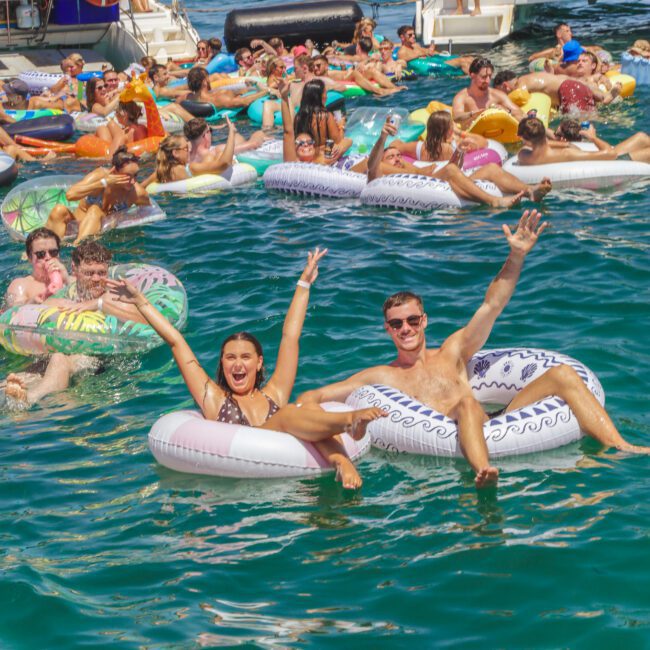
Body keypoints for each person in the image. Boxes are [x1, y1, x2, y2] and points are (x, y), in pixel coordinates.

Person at [298, 209, 650, 488]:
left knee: (562, 374)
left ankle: (620, 446)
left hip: (495, 423)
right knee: (465, 402)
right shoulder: (382, 375)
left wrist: (516, 257)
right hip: (439, 433)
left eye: (412, 320)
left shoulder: (453, 350)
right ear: (387, 329)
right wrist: (302, 418)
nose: (405, 328)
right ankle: (483, 472)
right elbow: (317, 395)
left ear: (425, 320)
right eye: (396, 324)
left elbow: (491, 305)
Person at [107, 249, 387, 489]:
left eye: (245, 357)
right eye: (230, 358)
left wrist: (304, 283)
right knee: (290, 413)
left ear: (259, 363)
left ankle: (340, 459)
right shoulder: (214, 400)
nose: (237, 364)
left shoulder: (274, 393)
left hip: (292, 479)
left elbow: (290, 336)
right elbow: (176, 341)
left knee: (304, 406)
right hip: (250, 485)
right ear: (222, 364)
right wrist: (140, 302)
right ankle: (347, 424)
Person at [2, 241, 147, 409]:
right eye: (89, 273)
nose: (96, 279)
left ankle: (28, 400)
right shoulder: (62, 300)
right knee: (32, 370)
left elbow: (147, 322)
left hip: (99, 358)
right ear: (74, 270)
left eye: (101, 273)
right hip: (57, 356)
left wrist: (100, 305)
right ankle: (12, 392)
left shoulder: (113, 299)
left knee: (59, 360)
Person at [365, 117, 550, 205]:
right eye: (391, 156)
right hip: (430, 183)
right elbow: (372, 165)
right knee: (451, 170)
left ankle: (530, 191)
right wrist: (382, 138)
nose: (397, 159)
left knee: (491, 168)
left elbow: (441, 169)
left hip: (432, 180)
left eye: (399, 155)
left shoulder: (407, 165)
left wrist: (459, 152)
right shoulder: (379, 172)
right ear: (382, 159)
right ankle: (493, 201)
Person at [46, 147, 150, 244]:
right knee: (59, 210)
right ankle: (49, 247)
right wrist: (103, 183)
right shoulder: (100, 176)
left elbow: (149, 212)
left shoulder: (136, 192)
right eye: (128, 176)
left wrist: (125, 217)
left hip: (102, 235)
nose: (133, 181)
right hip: (76, 228)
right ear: (114, 171)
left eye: (135, 175)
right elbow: (70, 195)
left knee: (95, 210)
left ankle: (78, 249)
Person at [142, 116, 237, 186]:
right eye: (186, 149)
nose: (189, 151)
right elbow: (224, 164)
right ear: (175, 153)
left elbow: (141, 186)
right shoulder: (190, 169)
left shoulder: (160, 173)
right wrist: (231, 133)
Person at [517, 117, 650, 165]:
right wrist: (592, 137)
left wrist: (567, 143)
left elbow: (535, 145)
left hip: (606, 160)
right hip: (614, 164)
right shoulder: (566, 154)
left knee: (641, 137)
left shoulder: (524, 156)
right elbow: (611, 154)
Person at [279, 79, 351, 165]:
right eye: (325, 93)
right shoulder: (326, 116)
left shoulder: (298, 117)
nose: (326, 96)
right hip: (323, 160)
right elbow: (338, 143)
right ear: (319, 96)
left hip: (304, 159)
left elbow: (290, 135)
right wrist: (341, 126)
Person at [493, 68, 620, 115]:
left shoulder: (521, 82)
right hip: (577, 86)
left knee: (584, 122)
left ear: (505, 86)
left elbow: (520, 98)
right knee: (594, 113)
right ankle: (606, 97)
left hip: (568, 89)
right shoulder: (534, 76)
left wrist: (502, 105)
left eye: (502, 93)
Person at [4, 228, 69, 307]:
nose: (48, 257)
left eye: (53, 252)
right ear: (30, 258)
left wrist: (67, 279)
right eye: (41, 254)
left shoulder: (71, 280)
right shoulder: (21, 285)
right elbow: (11, 314)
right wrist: (33, 303)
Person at [452, 57, 523, 128]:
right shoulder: (462, 97)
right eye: (484, 77)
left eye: (490, 76)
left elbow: (520, 113)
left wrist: (505, 111)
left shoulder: (497, 95)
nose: (488, 81)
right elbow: (456, 117)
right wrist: (473, 114)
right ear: (472, 75)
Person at [181, 67, 266, 110]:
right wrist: (265, 91)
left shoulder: (186, 97)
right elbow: (244, 102)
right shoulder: (217, 98)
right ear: (204, 82)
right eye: (208, 78)